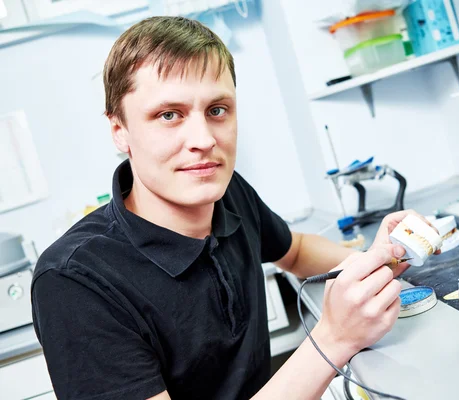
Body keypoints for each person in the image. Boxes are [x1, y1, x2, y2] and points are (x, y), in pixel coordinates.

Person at [31, 16, 434, 400]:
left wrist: (372, 264)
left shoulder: (223, 191)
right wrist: (334, 338)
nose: (204, 139)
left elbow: (294, 250)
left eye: (217, 110)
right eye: (169, 115)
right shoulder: (74, 283)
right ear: (120, 130)